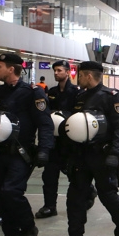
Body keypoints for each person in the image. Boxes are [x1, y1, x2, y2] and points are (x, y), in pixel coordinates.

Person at [56, 61, 119, 236]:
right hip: (80, 156)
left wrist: (115, 154)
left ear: (88, 76)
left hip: (102, 156)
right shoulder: (80, 97)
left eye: (79, 75)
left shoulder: (112, 97)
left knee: (108, 195)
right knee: (75, 199)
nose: (77, 79)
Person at [0, 53, 53, 236]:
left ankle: (28, 228)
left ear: (11, 69)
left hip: (20, 152)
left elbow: (45, 123)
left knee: (11, 191)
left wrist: (44, 149)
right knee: (0, 194)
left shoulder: (32, 93)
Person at [37, 60, 79, 219]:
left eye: (59, 70)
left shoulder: (75, 92)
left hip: (69, 140)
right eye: (54, 70)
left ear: (68, 72)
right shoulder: (52, 91)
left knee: (71, 173)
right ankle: (49, 206)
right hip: (54, 139)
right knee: (49, 174)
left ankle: (89, 192)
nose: (56, 73)